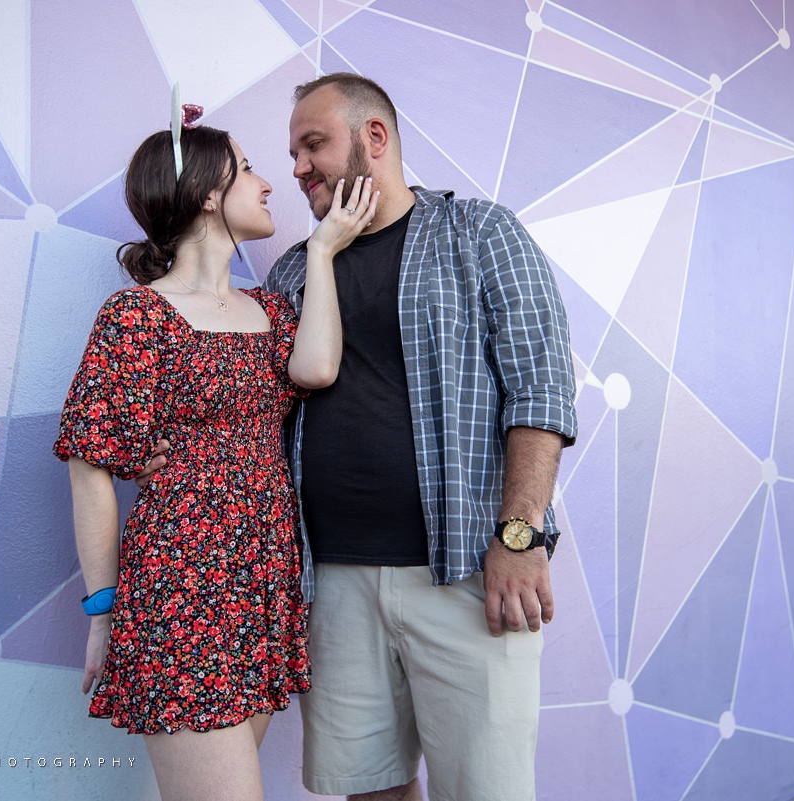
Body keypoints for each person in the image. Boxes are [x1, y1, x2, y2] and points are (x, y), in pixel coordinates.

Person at [139, 73, 577, 801]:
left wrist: (520, 535)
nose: (297, 166)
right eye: (289, 152)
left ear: (374, 138)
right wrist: (172, 445)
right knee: (370, 791)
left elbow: (542, 390)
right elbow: (247, 402)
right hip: (329, 584)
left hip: (465, 575)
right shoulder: (288, 274)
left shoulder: (482, 235)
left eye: (314, 145)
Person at [53, 113, 379, 801]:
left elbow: (317, 368)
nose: (269, 185)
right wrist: (104, 613)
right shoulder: (134, 317)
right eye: (249, 167)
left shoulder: (272, 310)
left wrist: (322, 252)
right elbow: (90, 466)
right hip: (180, 591)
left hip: (263, 588)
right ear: (206, 193)